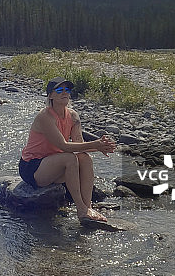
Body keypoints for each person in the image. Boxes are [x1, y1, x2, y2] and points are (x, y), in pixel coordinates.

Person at [19, 77, 116, 222]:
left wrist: (101, 147)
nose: (64, 93)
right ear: (50, 95)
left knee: (85, 158)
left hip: (54, 165)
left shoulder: (73, 115)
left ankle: (88, 207)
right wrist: (95, 144)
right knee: (69, 158)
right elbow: (63, 146)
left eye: (67, 90)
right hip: (33, 167)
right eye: (59, 90)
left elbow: (79, 145)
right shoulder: (45, 117)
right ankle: (81, 209)